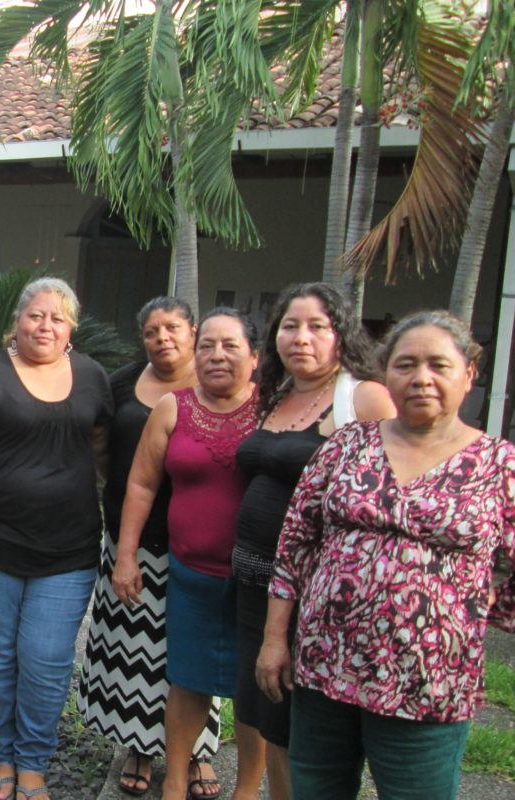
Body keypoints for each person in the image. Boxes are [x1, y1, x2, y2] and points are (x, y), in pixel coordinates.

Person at [257, 310, 515, 800]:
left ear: (468, 374)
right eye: (406, 365)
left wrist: (478, 608)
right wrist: (276, 638)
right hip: (324, 666)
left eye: (438, 365)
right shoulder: (346, 444)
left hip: (427, 682)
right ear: (386, 374)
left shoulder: (501, 465)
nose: (421, 378)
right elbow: (296, 543)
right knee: (315, 789)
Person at [0, 277, 112, 800]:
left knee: (45, 659)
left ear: (71, 330)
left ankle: (34, 760)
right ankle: (4, 756)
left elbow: (103, 453)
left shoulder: (92, 377)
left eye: (57, 318)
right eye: (36, 315)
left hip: (69, 551)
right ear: (17, 321)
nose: (45, 325)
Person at [232, 283, 393, 799]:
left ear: (341, 335)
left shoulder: (363, 397)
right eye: (290, 325)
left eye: (317, 326)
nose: (301, 338)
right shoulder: (278, 396)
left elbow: (395, 492)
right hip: (254, 585)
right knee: (263, 714)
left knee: (299, 724)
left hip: (314, 598)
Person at [112, 307, 261, 800]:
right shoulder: (173, 408)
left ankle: (247, 789)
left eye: (230, 345)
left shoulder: (273, 412)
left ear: (256, 357)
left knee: (253, 691)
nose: (217, 355)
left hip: (257, 579)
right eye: (209, 347)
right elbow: (140, 482)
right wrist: (127, 554)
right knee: (187, 679)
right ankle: (174, 781)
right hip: (190, 572)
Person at [78, 296, 223, 797]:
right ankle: (140, 746)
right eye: (152, 331)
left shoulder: (217, 387)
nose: (163, 338)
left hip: (197, 542)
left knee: (194, 648)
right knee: (135, 649)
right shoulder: (121, 385)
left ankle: (199, 750)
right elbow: (103, 449)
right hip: (131, 537)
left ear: (193, 330)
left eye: (173, 328)